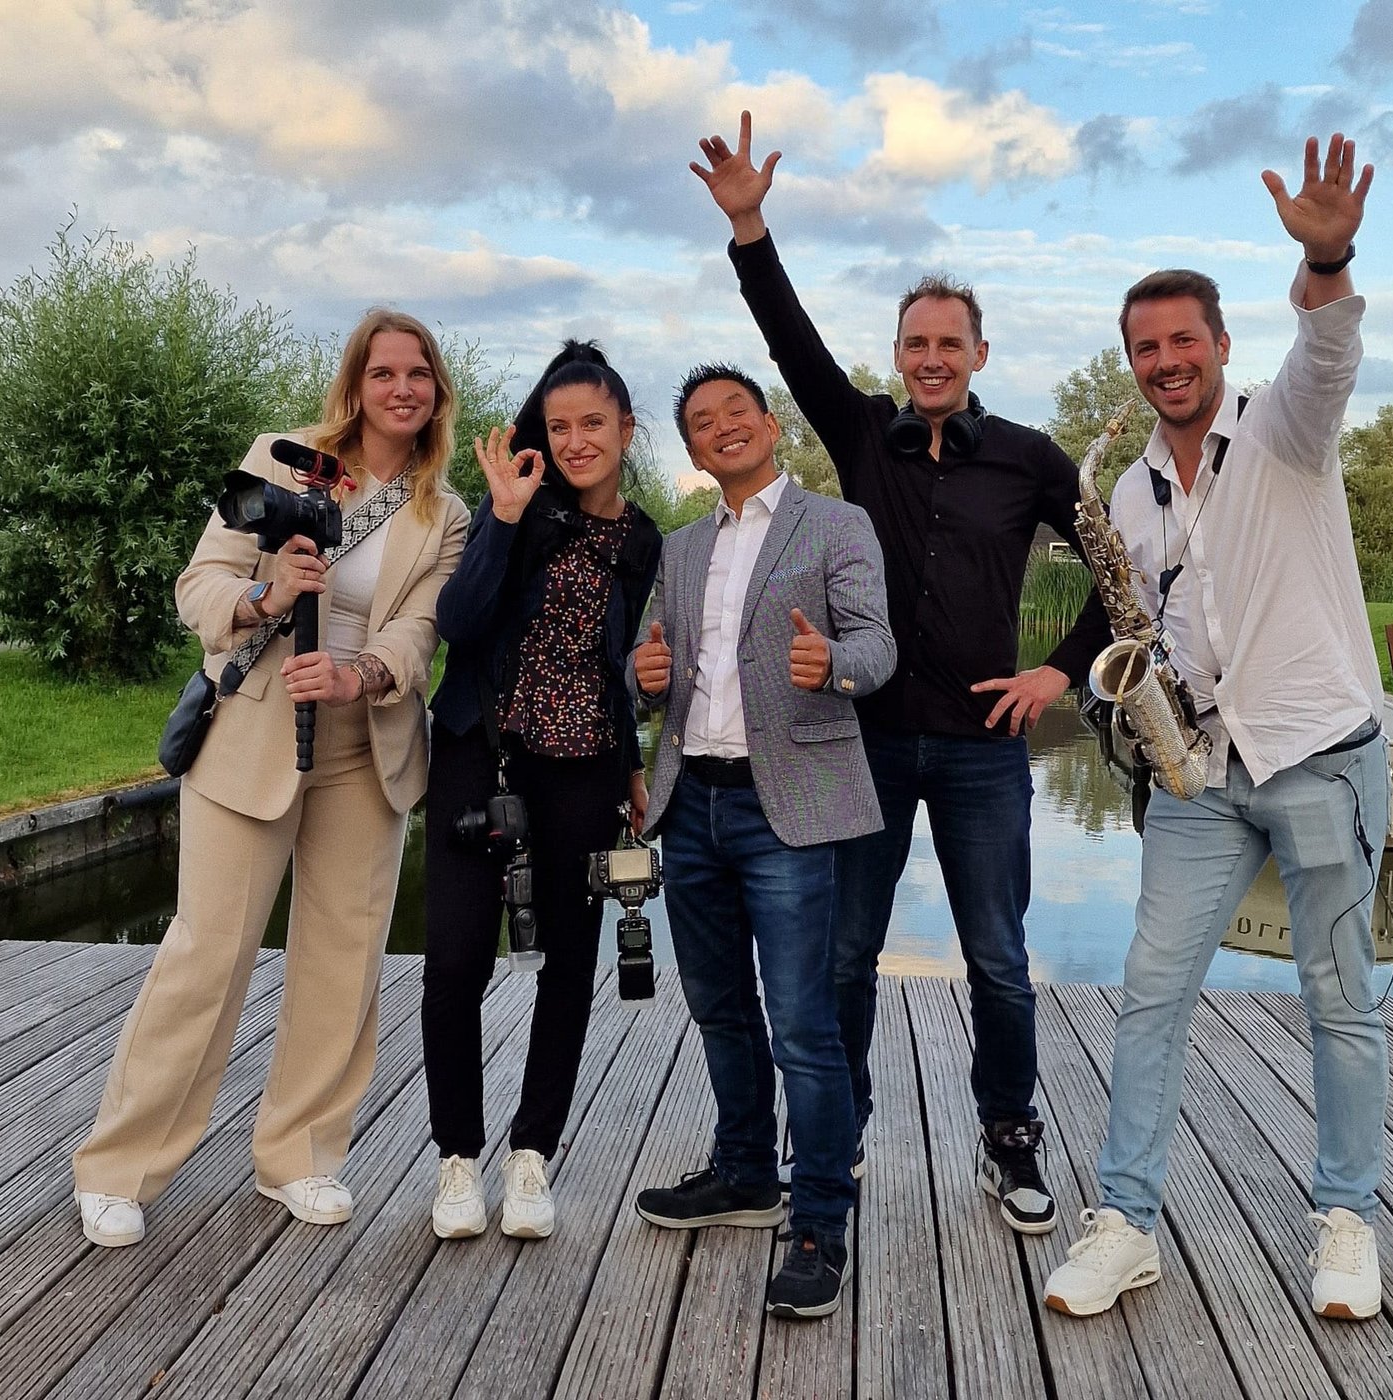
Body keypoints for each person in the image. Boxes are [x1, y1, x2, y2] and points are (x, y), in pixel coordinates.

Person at [691, 111, 1110, 1233]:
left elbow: (1120, 577)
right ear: (898, 354)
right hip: (863, 740)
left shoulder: (1029, 458)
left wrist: (1057, 674)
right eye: (915, 343)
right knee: (843, 955)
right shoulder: (862, 434)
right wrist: (750, 229)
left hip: (984, 750)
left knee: (999, 959)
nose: (931, 359)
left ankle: (1008, 1136)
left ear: (979, 354)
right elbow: (788, 343)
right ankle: (841, 1131)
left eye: (949, 344)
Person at [1042, 134, 1388, 1320]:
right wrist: (1134, 701)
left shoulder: (1287, 427)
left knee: (1338, 996)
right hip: (1200, 775)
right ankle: (1124, 1220)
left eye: (1182, 339)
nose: (1164, 361)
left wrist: (1327, 258)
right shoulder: (1126, 491)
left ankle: (1345, 1217)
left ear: (1222, 344)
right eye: (1145, 347)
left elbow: (1329, 348)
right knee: (1149, 990)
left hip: (1319, 757)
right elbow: (1149, 621)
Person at [73, 308, 471, 1245]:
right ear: (356, 383)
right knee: (206, 952)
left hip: (363, 748)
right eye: (384, 372)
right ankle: (121, 1166)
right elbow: (199, 584)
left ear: (437, 392)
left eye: (419, 373)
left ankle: (300, 1156)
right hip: (251, 734)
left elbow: (419, 630)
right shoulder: (282, 462)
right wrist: (266, 596)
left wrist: (360, 674)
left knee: (343, 958)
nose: (402, 388)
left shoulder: (443, 514)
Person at [631, 364, 895, 1320]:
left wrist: (834, 663)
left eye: (736, 411)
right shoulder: (680, 547)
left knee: (804, 1029)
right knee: (718, 1008)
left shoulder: (837, 525)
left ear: (770, 423)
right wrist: (642, 673)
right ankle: (744, 1172)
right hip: (691, 804)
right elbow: (653, 663)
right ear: (694, 451)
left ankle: (820, 1219)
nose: (723, 427)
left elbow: (877, 646)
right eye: (702, 422)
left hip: (787, 808)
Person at [422, 341, 662, 1242]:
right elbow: (459, 623)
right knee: (455, 960)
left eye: (593, 423)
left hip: (585, 769)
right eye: (559, 426)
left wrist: (632, 762)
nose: (575, 441)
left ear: (625, 428)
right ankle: (457, 1157)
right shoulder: (519, 503)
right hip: (482, 756)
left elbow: (618, 665)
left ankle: (531, 1155)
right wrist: (504, 516)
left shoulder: (642, 539)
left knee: (567, 966)